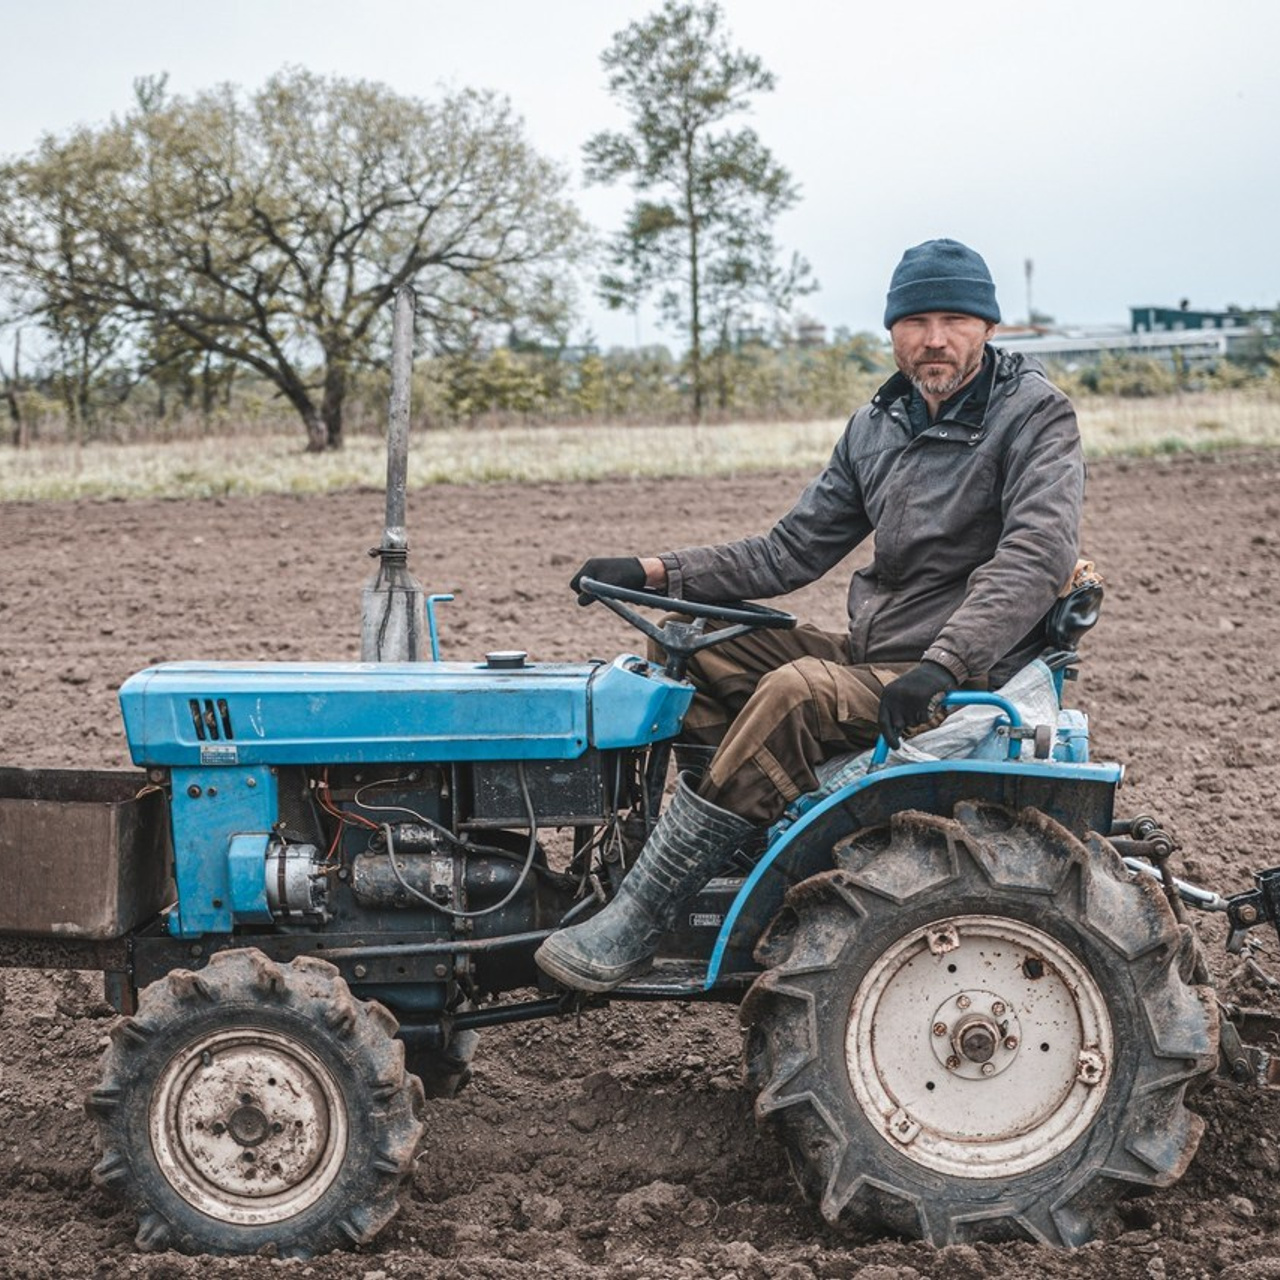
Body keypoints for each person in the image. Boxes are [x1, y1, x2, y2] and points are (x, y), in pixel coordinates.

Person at [535, 238, 1085, 993]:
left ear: (988, 327)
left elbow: (1035, 553)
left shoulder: (1034, 416)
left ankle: (646, 913)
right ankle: (727, 844)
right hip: (882, 652)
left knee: (798, 689)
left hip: (965, 672)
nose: (934, 339)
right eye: (916, 320)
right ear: (891, 331)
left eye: (955, 319)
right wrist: (655, 572)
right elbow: (790, 551)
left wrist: (945, 663)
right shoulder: (879, 424)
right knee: (703, 648)